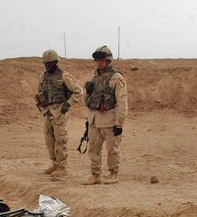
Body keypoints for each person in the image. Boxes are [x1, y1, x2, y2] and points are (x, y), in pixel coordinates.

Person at [83, 46, 128, 184]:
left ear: (108, 60)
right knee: (93, 149)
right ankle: (95, 175)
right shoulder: (95, 77)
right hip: (95, 120)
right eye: (97, 60)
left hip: (110, 120)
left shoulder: (116, 78)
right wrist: (88, 91)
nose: (99, 63)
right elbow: (88, 101)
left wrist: (119, 123)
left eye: (102, 60)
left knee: (112, 149)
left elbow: (122, 102)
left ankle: (113, 174)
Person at [35, 49, 81, 178]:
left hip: (59, 111)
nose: (47, 66)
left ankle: (62, 166)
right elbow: (39, 92)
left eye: (50, 63)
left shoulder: (64, 75)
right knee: (49, 139)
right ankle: (55, 163)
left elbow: (78, 91)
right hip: (47, 111)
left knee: (60, 139)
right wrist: (39, 103)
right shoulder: (43, 76)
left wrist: (67, 105)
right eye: (46, 63)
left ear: (56, 62)